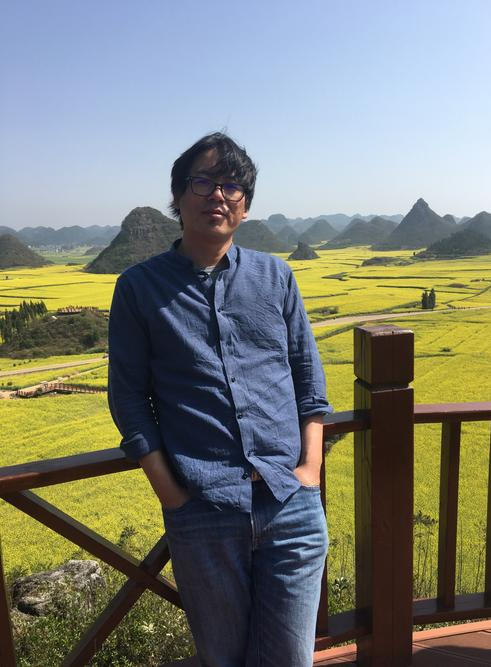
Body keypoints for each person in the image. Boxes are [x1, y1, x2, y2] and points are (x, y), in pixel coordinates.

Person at [108, 133, 331, 667]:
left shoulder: (275, 276)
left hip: (289, 501)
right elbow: (129, 400)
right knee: (223, 658)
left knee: (291, 659)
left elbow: (307, 377)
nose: (218, 195)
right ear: (178, 197)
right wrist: (172, 496)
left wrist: (310, 470)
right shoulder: (139, 288)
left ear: (245, 206)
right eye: (203, 182)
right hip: (203, 509)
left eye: (232, 186)